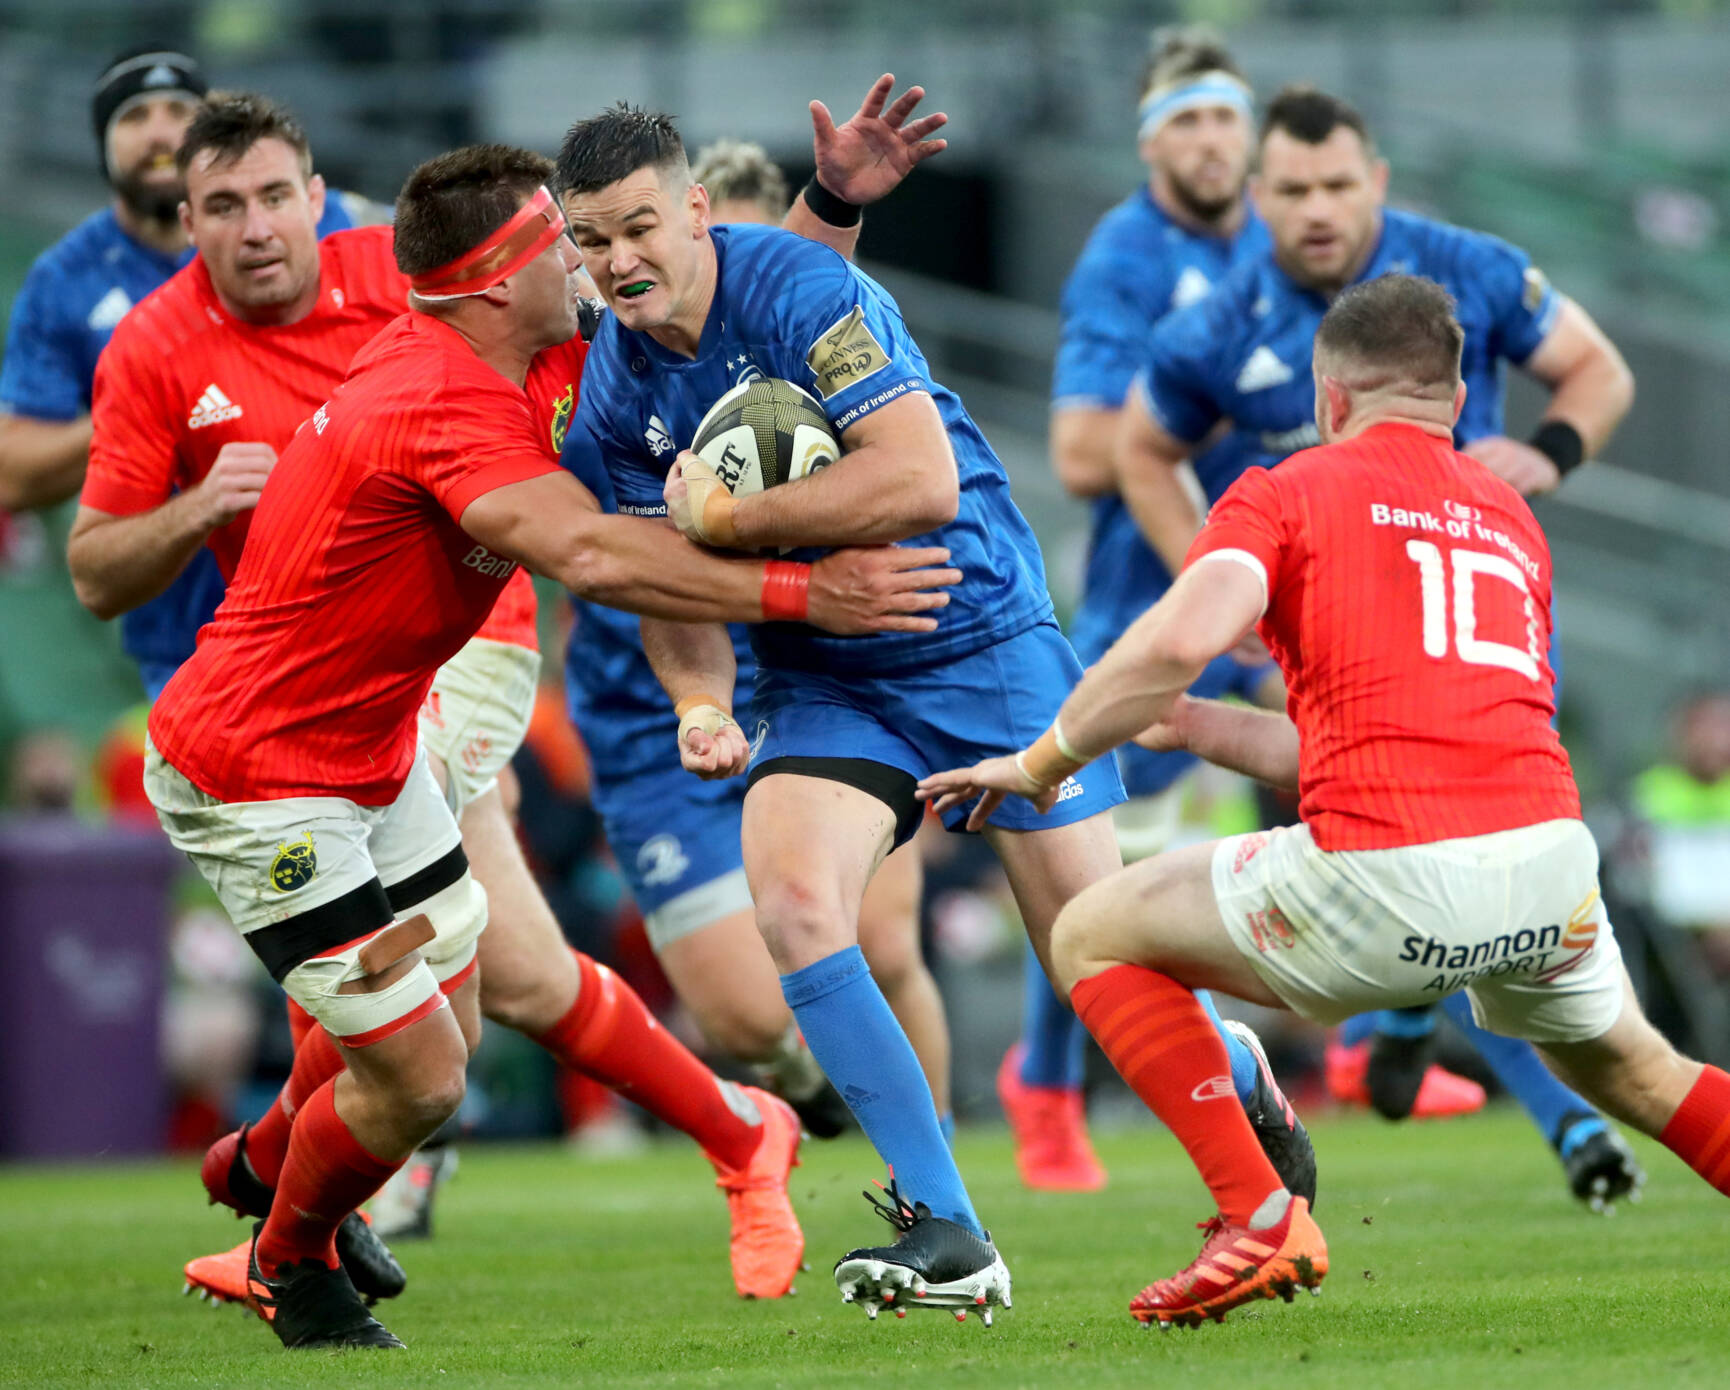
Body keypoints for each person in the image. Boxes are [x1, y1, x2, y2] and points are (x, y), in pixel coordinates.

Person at [137, 140, 958, 1350]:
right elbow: (592, 557)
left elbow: (702, 296)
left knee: (454, 1023)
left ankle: (261, 1172)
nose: (587, 257)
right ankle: (289, 1255)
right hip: (262, 779)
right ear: (491, 280)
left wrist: (827, 206)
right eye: (558, 240)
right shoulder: (438, 396)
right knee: (421, 1073)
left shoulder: (541, 342)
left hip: (379, 750)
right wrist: (806, 595)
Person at [555, 100, 1312, 1323]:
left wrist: (733, 521)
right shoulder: (613, 390)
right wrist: (699, 693)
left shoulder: (804, 288)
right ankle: (945, 1226)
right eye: (591, 242)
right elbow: (659, 577)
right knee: (794, 906)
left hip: (978, 636)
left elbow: (918, 478)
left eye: (638, 226)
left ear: (695, 210)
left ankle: (1236, 1089)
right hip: (823, 678)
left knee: (1092, 955)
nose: (619, 261)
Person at [919, 275, 1730, 1327]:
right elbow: (1341, 740)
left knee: (1089, 931)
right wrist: (1196, 724)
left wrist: (1037, 761)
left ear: (1328, 395)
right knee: (1633, 1068)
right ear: (1451, 399)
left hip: (1389, 873)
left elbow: (1174, 638)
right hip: (1546, 870)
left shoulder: (1290, 484)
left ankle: (1256, 1214)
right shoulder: (1507, 519)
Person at [1114, 84, 1644, 1206]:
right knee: (1443, 882)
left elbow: (1599, 370)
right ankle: (1419, 1052)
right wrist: (1220, 590)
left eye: (1337, 184)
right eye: (1293, 189)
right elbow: (1135, 450)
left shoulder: (1468, 268)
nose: (1316, 209)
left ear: (1378, 182)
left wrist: (1544, 453)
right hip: (1319, 643)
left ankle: (1466, 1089)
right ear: (1256, 197)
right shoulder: (1214, 320)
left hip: (1468, 614)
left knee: (1431, 875)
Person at [559, 120, 951, 1142]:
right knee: (741, 1014)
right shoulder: (592, 359)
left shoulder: (781, 307)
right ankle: (820, 1095)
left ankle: (941, 1183)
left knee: (886, 949)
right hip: (646, 704)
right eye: (602, 242)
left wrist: (837, 203)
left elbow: (814, 285)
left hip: (825, 662)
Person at [1008, 27, 1303, 1194]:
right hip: (1161, 609)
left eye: (1223, 115)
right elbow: (1083, 450)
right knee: (1101, 869)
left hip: (1270, 588)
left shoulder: (1282, 243)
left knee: (1324, 809)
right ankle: (1043, 1084)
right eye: (1182, 119)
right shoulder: (1128, 256)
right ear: (1146, 144)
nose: (1209, 139)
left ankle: (1373, 1040)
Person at [0, 47, 358, 700]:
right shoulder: (65, 280)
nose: (163, 132)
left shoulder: (322, 229)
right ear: (101, 145)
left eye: (180, 113)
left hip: (353, 615)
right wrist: (151, 407)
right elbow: (13, 473)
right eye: (136, 116)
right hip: (192, 641)